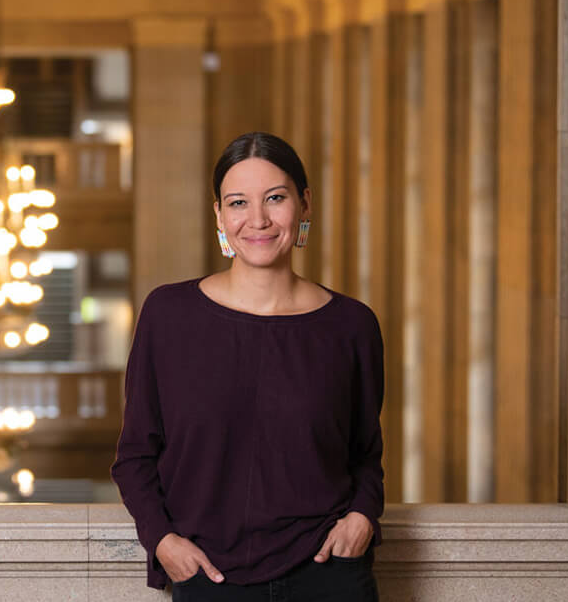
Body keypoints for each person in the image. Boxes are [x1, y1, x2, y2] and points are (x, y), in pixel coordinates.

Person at [111, 132, 384, 601]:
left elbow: (365, 454)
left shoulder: (351, 325)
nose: (257, 219)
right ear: (218, 213)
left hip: (329, 576)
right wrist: (163, 542)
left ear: (305, 203)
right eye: (238, 202)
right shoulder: (169, 315)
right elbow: (135, 455)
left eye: (275, 198)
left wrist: (361, 516)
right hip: (210, 578)